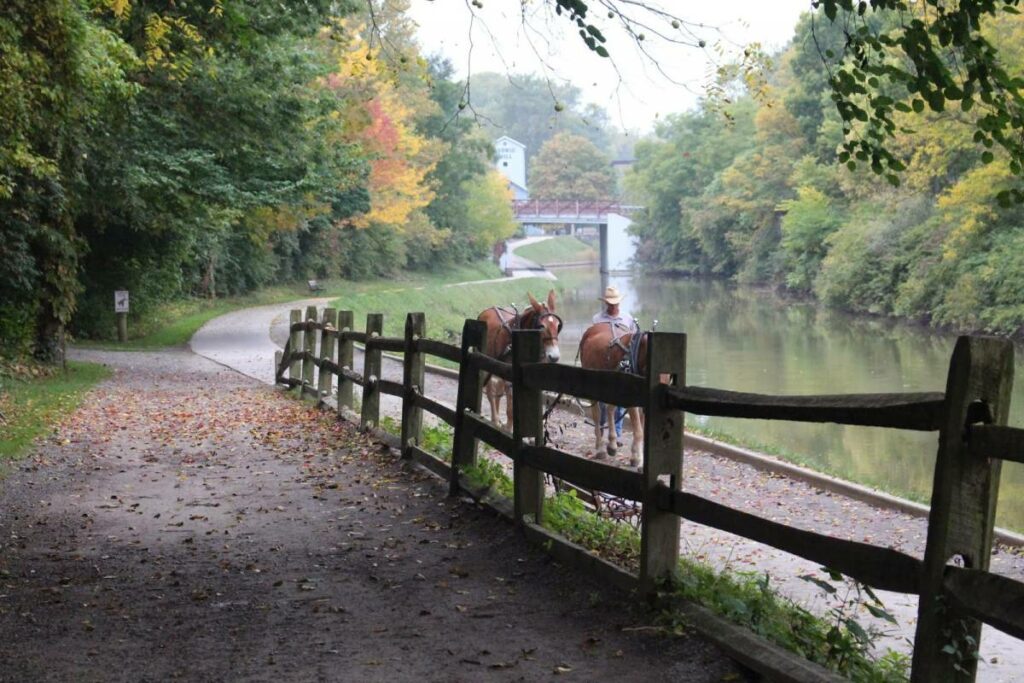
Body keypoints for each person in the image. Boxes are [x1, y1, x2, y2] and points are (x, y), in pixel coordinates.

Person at [593, 285, 634, 443]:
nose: (612, 306)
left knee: (620, 402)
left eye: (615, 303)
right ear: (606, 303)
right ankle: (603, 432)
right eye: (610, 303)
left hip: (622, 365)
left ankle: (616, 434)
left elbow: (633, 343)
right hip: (603, 365)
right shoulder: (597, 319)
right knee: (603, 402)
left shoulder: (627, 319)